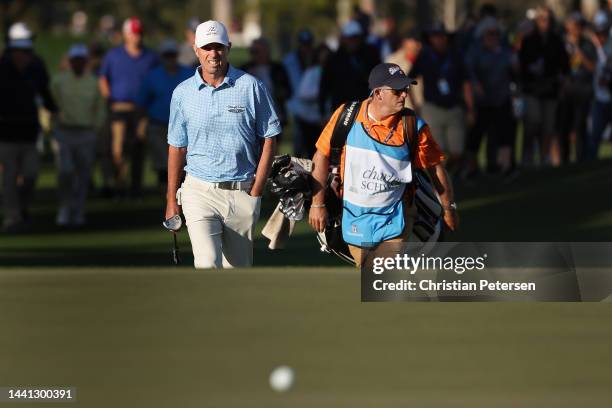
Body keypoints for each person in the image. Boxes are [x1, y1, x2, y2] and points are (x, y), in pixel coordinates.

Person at [308, 63, 458, 267]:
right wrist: (317, 204)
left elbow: (435, 169)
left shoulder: (413, 126)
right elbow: (320, 157)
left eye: (406, 89)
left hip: (396, 217)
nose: (404, 95)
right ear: (378, 93)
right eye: (397, 91)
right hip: (354, 217)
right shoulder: (346, 116)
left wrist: (448, 208)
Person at [165, 20, 281, 269]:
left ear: (228, 47)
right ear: (196, 50)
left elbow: (270, 137)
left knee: (237, 272)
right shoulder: (182, 93)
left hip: (242, 191)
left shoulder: (251, 86)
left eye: (218, 47)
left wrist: (257, 189)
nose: (213, 54)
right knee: (207, 263)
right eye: (207, 47)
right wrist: (171, 200)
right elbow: (177, 147)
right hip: (198, 190)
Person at [0, 22, 57, 232]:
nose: (24, 54)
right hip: (6, 132)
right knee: (9, 178)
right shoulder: (2, 66)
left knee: (31, 174)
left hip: (30, 130)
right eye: (20, 50)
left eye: (27, 50)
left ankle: (22, 209)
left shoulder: (36, 65)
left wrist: (54, 109)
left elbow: (44, 92)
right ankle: (12, 217)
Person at [98, 17, 159, 198]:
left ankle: (136, 188)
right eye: (133, 33)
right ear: (125, 35)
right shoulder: (113, 55)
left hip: (141, 109)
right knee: (118, 149)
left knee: (138, 148)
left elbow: (156, 81)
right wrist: (108, 99)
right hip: (119, 108)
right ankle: (119, 184)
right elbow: (103, 79)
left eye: (139, 33)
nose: (136, 37)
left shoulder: (151, 57)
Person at [408, 22, 474, 171]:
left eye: (441, 36)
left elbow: (466, 83)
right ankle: (440, 181)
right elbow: (410, 79)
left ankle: (449, 172)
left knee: (458, 149)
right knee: (438, 149)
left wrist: (470, 109)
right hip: (432, 107)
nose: (438, 39)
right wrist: (415, 105)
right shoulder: (424, 56)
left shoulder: (456, 55)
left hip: (454, 106)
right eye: (434, 36)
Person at [51, 44, 105, 226]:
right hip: (64, 132)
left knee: (83, 174)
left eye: (81, 60)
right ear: (70, 61)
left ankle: (78, 209)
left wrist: (95, 129)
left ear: (85, 62)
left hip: (86, 133)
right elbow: (50, 104)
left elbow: (100, 109)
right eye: (75, 60)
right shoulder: (59, 80)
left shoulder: (93, 82)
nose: (78, 63)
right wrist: (51, 126)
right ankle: (65, 207)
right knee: (65, 171)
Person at [137, 39, 192, 190]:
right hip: (159, 124)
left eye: (172, 55)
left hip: (184, 126)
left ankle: (182, 193)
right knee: (162, 162)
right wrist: (141, 123)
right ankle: (164, 193)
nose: (170, 59)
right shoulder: (152, 76)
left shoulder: (189, 73)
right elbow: (142, 102)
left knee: (184, 161)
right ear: (162, 57)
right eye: (167, 55)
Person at [518, 6, 569, 167]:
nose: (545, 23)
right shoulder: (528, 41)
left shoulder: (556, 40)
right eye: (542, 19)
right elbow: (521, 66)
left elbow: (564, 66)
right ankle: (527, 159)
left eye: (547, 19)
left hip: (550, 90)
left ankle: (544, 158)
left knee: (548, 126)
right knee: (533, 123)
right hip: (532, 90)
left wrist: (562, 82)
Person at [556, 12, 596, 164]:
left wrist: (581, 55)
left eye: (580, 26)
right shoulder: (561, 44)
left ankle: (580, 159)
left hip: (583, 90)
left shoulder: (587, 44)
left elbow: (593, 67)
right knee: (563, 127)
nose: (577, 29)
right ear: (568, 27)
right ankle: (564, 160)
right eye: (575, 26)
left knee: (580, 126)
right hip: (565, 91)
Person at [318, 20, 381, 118]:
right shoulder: (334, 60)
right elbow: (324, 87)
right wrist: (322, 113)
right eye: (350, 38)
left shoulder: (370, 56)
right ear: (344, 39)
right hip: (341, 111)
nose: (353, 42)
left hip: (366, 109)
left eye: (355, 38)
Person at [241, 37, 292, 129]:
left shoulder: (278, 69)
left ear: (266, 51)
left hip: (276, 116)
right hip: (252, 118)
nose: (254, 54)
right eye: (252, 51)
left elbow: (288, 91)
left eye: (257, 51)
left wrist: (278, 93)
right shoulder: (244, 69)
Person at [586, 19, 612, 160]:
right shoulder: (592, 49)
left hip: (609, 96)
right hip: (599, 98)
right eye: (598, 34)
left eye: (603, 34)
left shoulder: (609, 48)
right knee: (594, 135)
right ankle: (590, 161)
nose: (601, 37)